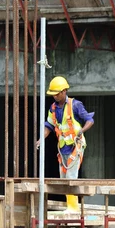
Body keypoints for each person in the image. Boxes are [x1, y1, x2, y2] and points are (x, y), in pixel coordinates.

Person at [36, 76, 94, 212]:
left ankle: (73, 207)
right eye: (53, 94)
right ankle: (70, 205)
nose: (55, 97)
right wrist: (41, 139)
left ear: (64, 91)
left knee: (71, 177)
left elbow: (90, 120)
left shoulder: (75, 105)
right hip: (63, 147)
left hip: (76, 146)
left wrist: (81, 131)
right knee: (63, 177)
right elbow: (49, 125)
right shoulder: (53, 108)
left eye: (56, 94)